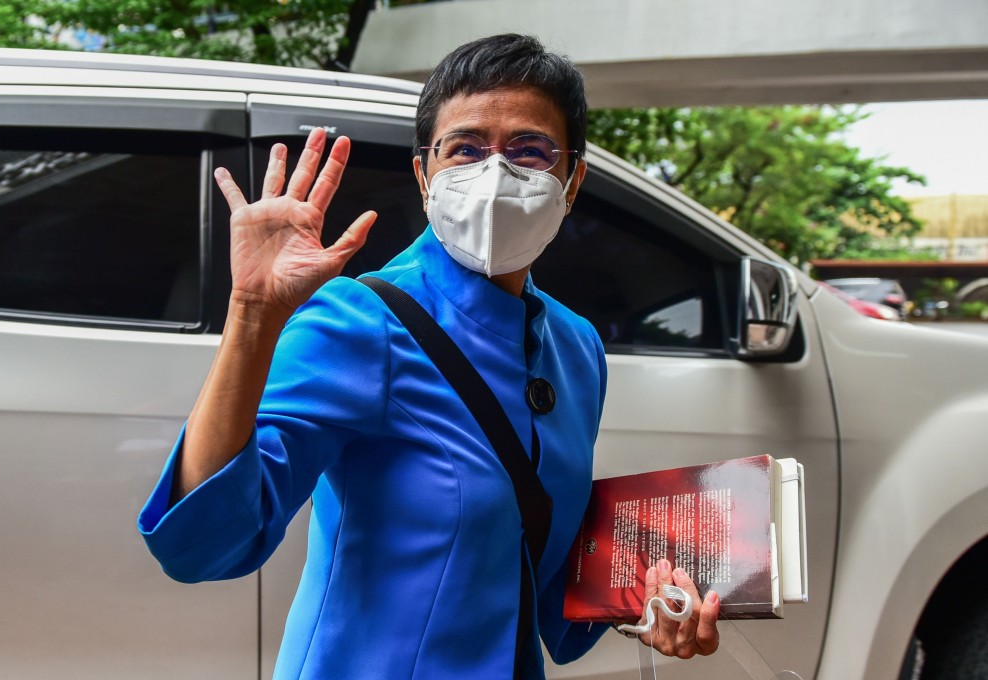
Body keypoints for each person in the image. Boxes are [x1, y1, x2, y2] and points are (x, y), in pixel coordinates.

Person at [138, 33, 720, 678]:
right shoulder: (362, 320)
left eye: (530, 150)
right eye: (465, 149)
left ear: (572, 178)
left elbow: (543, 573)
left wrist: (650, 599)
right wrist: (253, 313)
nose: (495, 172)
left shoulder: (575, 345)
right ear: (424, 174)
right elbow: (206, 547)